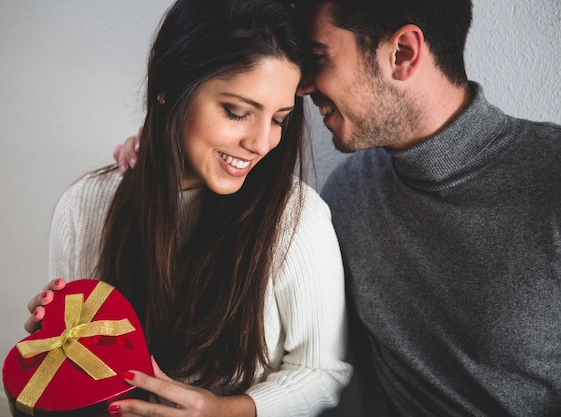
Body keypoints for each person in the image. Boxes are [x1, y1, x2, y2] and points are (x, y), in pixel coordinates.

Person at [115, 0, 561, 416]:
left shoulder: (549, 182)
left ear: (402, 53)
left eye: (318, 57)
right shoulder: (350, 190)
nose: (303, 88)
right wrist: (172, 138)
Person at [25, 1, 352, 416]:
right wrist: (55, 342)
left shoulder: (297, 220)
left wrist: (228, 411)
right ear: (168, 86)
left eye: (279, 119)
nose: (261, 142)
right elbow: (81, 365)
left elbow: (321, 371)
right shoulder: (83, 205)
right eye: (237, 112)